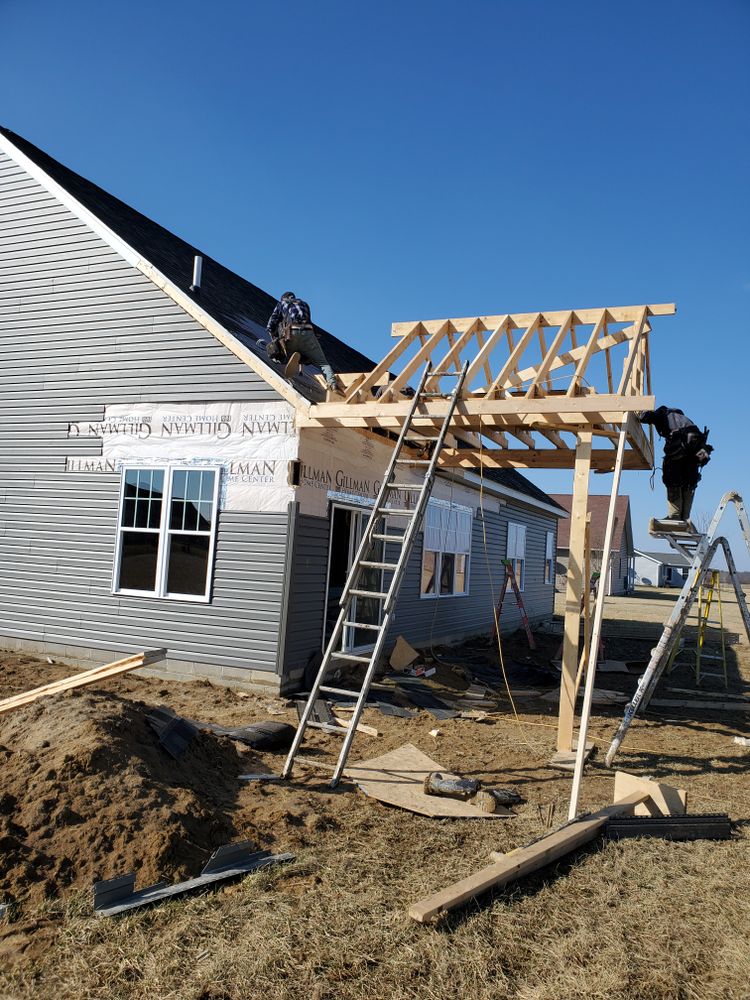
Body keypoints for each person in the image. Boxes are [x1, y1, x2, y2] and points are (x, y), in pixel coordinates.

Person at [637, 406, 713, 524]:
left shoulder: (664, 414)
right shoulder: (687, 420)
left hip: (680, 444)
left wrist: (639, 413)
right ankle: (685, 518)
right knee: (689, 481)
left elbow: (647, 417)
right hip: (695, 449)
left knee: (671, 476)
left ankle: (674, 516)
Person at [266, 292, 341, 392]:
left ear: (283, 299)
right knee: (323, 363)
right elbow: (309, 321)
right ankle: (333, 384)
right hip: (309, 333)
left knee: (279, 354)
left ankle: (287, 359)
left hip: (292, 333)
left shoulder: (282, 304)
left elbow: (272, 322)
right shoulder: (305, 304)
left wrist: (273, 338)